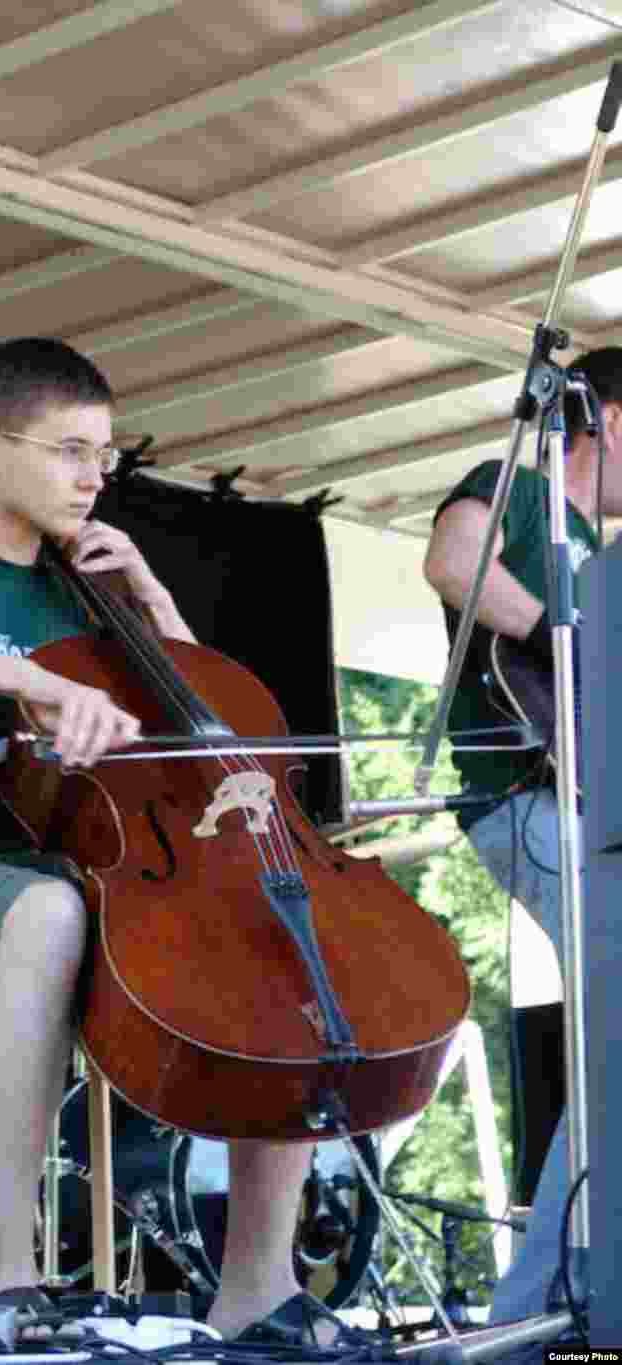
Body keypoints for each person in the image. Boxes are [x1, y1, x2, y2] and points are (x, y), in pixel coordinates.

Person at [0, 336, 348, 1348]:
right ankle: (0, 1288)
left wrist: (147, 598)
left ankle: (258, 1295)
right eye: (72, 450)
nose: (96, 476)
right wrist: (30, 680)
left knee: (274, 936)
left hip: (51, 888)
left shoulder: (88, 594)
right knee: (45, 909)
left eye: (106, 455)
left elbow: (200, 716)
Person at [423, 346, 622, 1331]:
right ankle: (537, 1305)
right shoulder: (518, 487)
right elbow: (454, 563)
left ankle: (546, 1301)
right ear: (614, 422)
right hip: (529, 799)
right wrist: (575, 648)